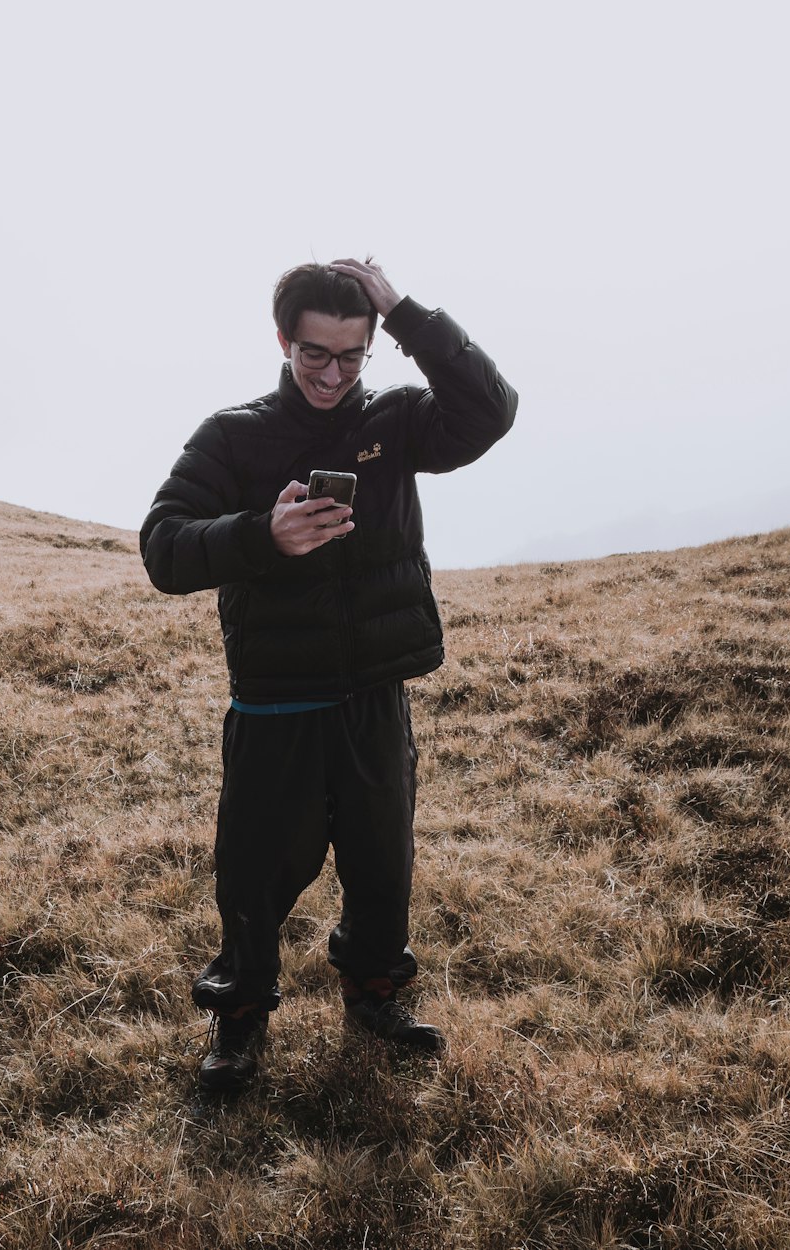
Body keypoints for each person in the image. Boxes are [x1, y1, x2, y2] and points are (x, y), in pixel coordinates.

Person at [140, 258, 518, 1091]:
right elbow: (162, 547)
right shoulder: (232, 436)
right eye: (316, 354)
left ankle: (375, 994)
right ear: (283, 341)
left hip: (376, 697)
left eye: (353, 356)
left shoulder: (397, 420)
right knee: (256, 871)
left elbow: (492, 412)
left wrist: (409, 312)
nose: (334, 374)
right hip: (274, 700)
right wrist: (259, 537)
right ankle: (237, 1020)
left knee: (383, 863)